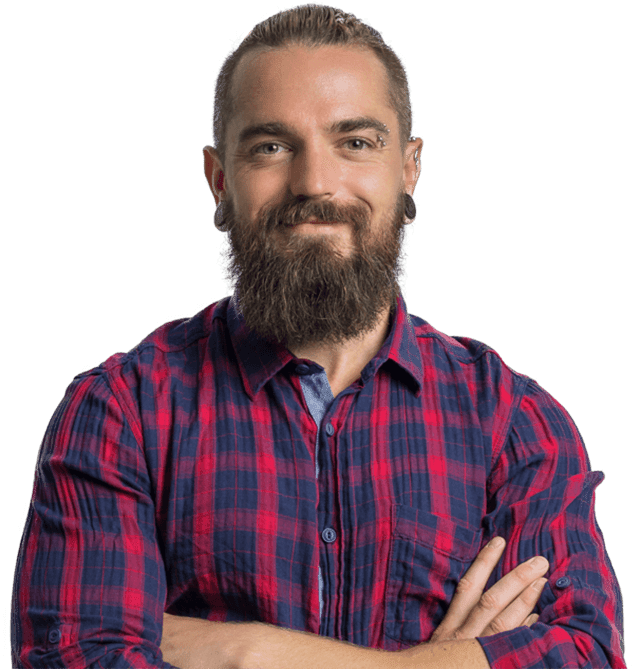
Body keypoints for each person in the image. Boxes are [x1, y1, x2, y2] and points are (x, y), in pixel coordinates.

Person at [11, 4, 624, 668]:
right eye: (271, 147)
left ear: (409, 168)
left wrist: (244, 649)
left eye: (355, 142)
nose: (314, 183)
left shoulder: (514, 421)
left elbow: (583, 652)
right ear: (219, 178)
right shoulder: (119, 413)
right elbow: (76, 657)